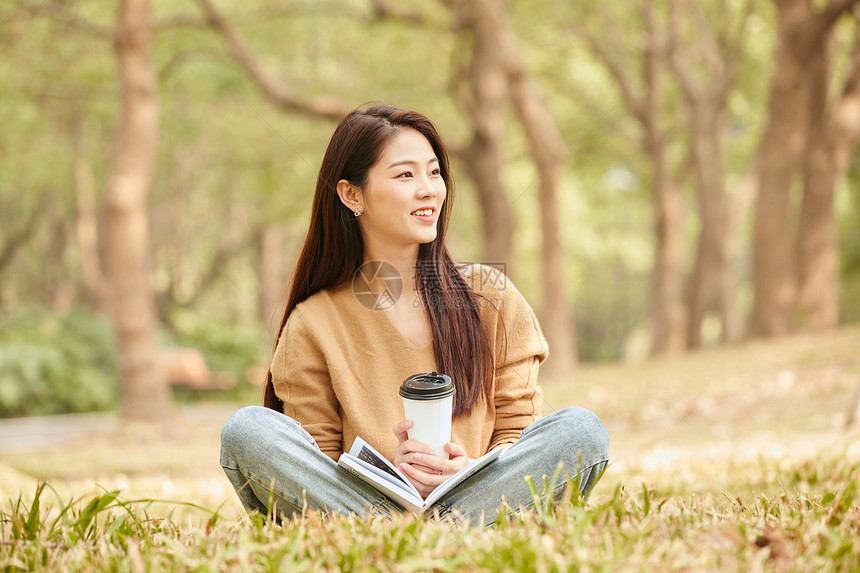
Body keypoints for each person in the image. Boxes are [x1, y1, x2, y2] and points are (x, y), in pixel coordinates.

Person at [220, 104, 609, 526]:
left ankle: (416, 534)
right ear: (352, 195)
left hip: (478, 492)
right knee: (247, 430)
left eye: (434, 172)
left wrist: (463, 470)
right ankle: (425, 531)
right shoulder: (313, 322)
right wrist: (394, 476)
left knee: (580, 431)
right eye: (406, 175)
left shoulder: (490, 294)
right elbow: (319, 468)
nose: (429, 190)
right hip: (369, 506)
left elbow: (517, 433)